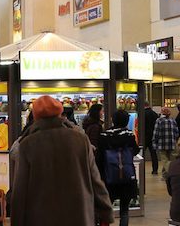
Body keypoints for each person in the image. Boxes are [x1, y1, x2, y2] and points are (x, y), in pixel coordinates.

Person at [10, 96, 112, 225]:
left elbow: (20, 190)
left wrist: (17, 221)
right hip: (78, 216)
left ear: (35, 116)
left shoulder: (27, 144)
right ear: (60, 113)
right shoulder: (80, 140)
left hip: (40, 218)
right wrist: (106, 212)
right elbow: (95, 180)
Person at [98, 110, 139, 226]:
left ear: (113, 119)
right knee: (124, 210)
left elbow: (99, 158)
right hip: (126, 176)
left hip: (108, 177)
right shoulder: (129, 135)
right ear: (126, 121)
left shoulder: (104, 135)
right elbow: (135, 150)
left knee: (106, 208)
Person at [154, 108, 179, 177]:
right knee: (171, 159)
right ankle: (165, 175)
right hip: (172, 143)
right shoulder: (173, 120)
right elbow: (177, 133)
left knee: (165, 160)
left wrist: (154, 143)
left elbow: (156, 133)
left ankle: (170, 173)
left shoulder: (159, 120)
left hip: (162, 144)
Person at [142, 103, 160, 175]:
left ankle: (141, 169)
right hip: (153, 136)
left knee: (141, 153)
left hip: (145, 136)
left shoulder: (143, 114)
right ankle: (155, 170)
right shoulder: (154, 114)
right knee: (153, 154)